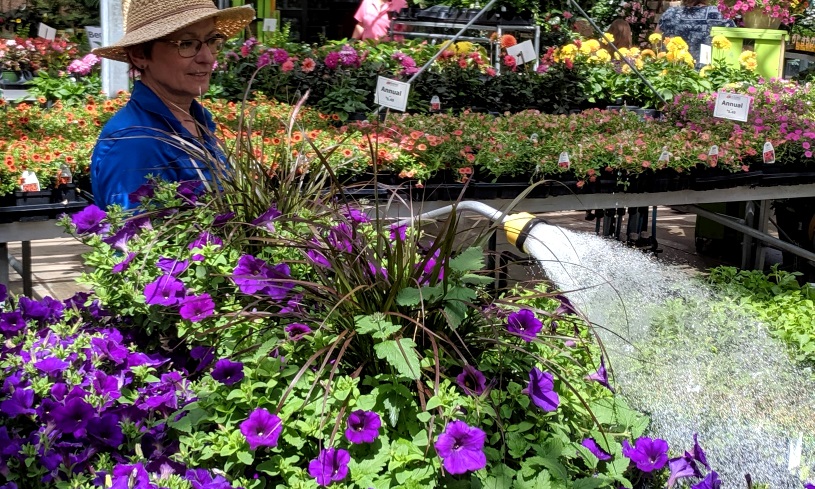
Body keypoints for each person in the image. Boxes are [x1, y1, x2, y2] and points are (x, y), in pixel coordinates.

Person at [90, 0, 255, 210]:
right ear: (139, 55)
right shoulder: (134, 142)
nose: (206, 58)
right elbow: (138, 239)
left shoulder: (195, 119)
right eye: (186, 44)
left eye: (213, 41)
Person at [657, 0, 734, 68]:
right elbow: (734, 44)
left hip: (673, 72)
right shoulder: (717, 14)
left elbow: (656, 41)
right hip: (706, 73)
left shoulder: (671, 14)